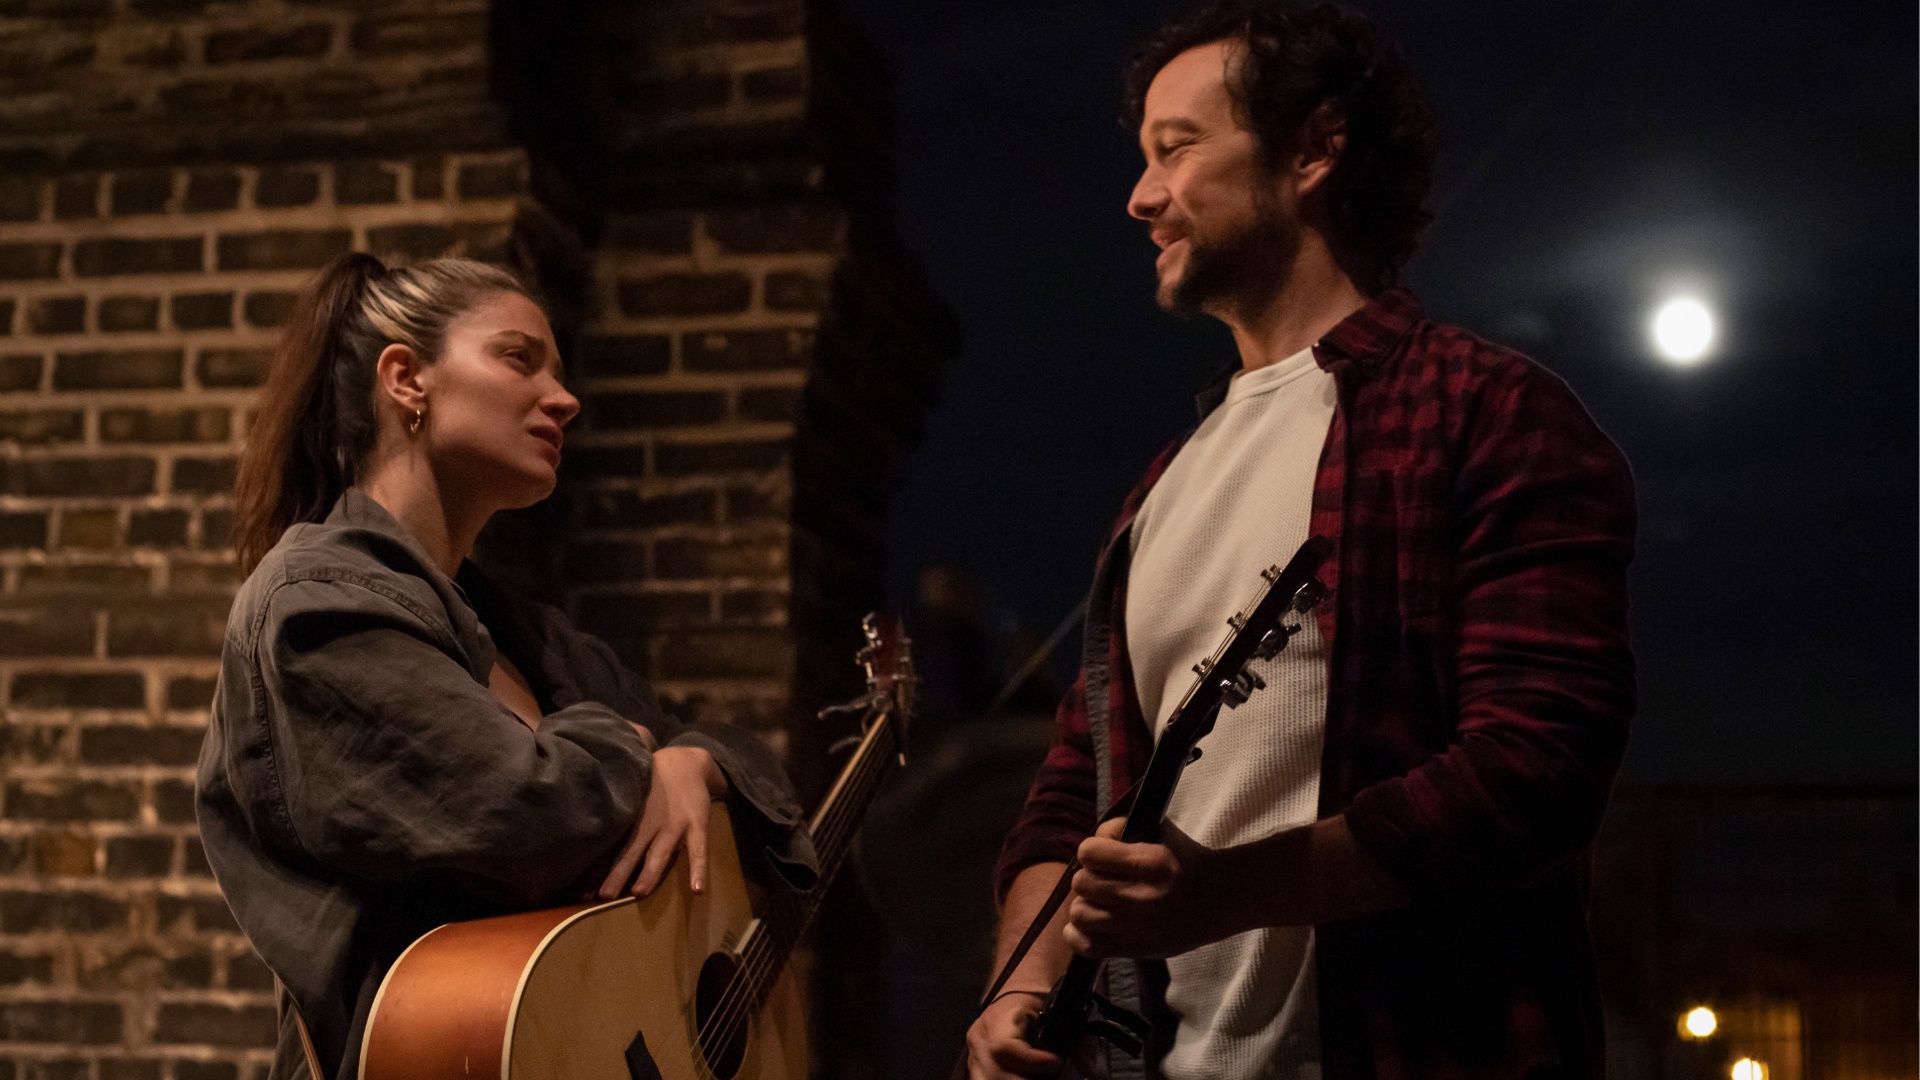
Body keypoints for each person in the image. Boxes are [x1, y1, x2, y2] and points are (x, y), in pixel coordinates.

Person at [967, 4, 1636, 1079]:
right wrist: (1027, 984)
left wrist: (1222, 892)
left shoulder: (1491, 413)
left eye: (1176, 149)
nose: (1142, 197)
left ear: (1316, 148)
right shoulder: (1163, 486)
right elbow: (1072, 790)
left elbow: (1534, 769)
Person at [196, 254, 817, 1080]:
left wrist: (694, 762)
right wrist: (639, 753)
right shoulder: (318, 603)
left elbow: (738, 763)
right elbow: (525, 814)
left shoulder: (527, 634)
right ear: (406, 378)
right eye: (519, 358)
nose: (564, 399)